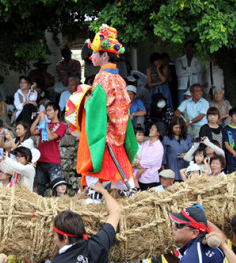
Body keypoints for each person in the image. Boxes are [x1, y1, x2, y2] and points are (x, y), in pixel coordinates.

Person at [74, 24, 138, 200]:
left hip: (104, 140)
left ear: (105, 55)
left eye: (95, 53)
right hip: (118, 136)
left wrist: (84, 101)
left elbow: (96, 109)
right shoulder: (119, 79)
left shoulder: (101, 77)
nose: (92, 56)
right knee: (125, 184)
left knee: (95, 181)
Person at [31, 103, 66, 196]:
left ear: (56, 111)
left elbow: (50, 137)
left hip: (53, 161)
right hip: (41, 160)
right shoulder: (44, 124)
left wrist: (44, 122)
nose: (47, 112)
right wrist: (38, 118)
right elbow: (32, 131)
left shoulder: (61, 126)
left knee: (57, 187)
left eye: (50, 110)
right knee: (39, 187)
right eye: (46, 111)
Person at [134, 122, 165, 190]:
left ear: (158, 133)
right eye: (151, 128)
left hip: (150, 179)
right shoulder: (146, 143)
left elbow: (151, 162)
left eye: (153, 129)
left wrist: (138, 163)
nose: (150, 130)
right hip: (140, 176)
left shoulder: (158, 146)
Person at [162, 116, 192, 181]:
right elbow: (163, 155)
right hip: (171, 168)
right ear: (171, 127)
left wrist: (186, 154)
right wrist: (163, 170)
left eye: (180, 128)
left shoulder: (188, 138)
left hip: (185, 169)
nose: (178, 130)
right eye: (176, 128)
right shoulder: (166, 138)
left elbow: (193, 151)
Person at [175, 41, 204, 105]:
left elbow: (198, 70)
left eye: (191, 47)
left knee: (195, 104)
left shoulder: (198, 59)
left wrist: (185, 68)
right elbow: (179, 73)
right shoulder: (179, 60)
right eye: (187, 47)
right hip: (182, 87)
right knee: (181, 105)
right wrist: (192, 72)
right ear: (185, 49)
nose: (189, 49)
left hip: (194, 86)